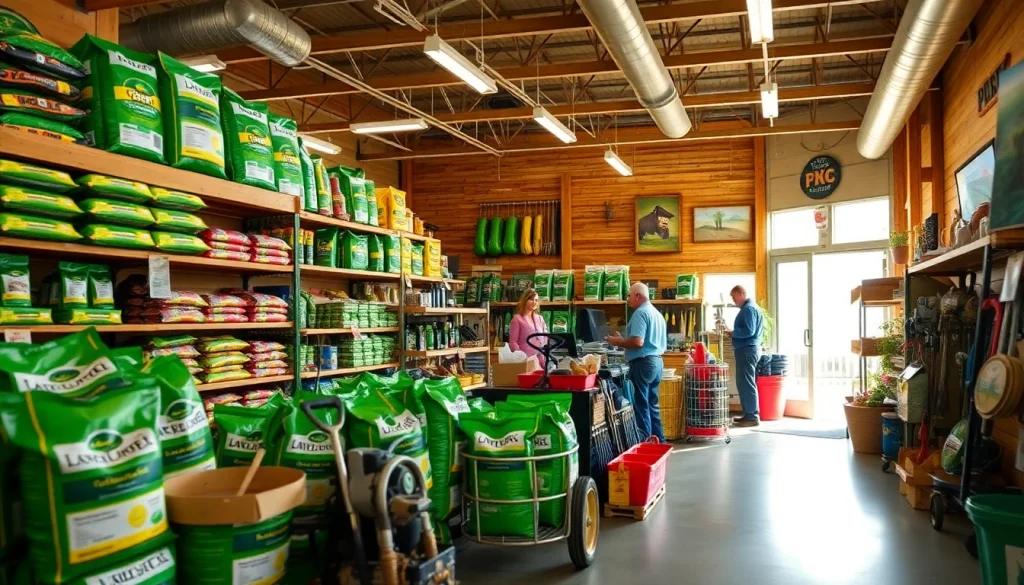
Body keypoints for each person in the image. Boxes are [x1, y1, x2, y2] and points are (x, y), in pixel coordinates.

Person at [605, 282, 667, 442]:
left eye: (629, 295)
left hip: (643, 364)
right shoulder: (657, 314)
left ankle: (645, 444)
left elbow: (638, 342)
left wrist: (618, 342)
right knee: (653, 405)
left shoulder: (640, 313)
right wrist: (624, 340)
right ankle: (659, 442)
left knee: (641, 406)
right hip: (657, 363)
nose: (628, 299)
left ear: (638, 296)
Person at [721, 285, 765, 427]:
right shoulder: (752, 308)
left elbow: (749, 331)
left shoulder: (748, 309)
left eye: (734, 297)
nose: (733, 301)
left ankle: (752, 416)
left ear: (741, 294)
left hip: (747, 349)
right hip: (748, 349)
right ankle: (749, 414)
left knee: (746, 383)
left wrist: (732, 332)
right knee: (745, 382)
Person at [508, 288, 547, 367]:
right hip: (525, 361)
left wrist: (545, 355)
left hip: (541, 361)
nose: (534, 302)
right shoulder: (517, 319)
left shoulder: (540, 318)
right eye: (531, 299)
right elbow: (513, 342)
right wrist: (521, 358)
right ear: (525, 300)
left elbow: (545, 337)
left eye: (536, 300)